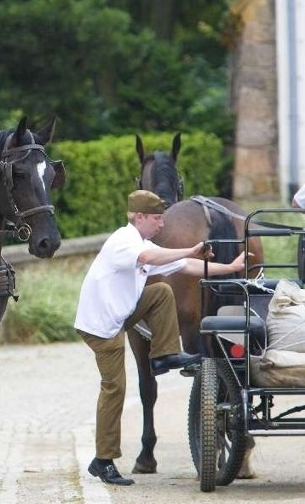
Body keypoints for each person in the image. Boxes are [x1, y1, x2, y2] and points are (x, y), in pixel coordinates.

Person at [74, 190, 248, 486]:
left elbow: (185, 267)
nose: (162, 225)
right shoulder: (124, 240)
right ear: (139, 217)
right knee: (115, 388)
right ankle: (103, 461)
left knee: (161, 291)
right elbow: (149, 257)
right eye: (157, 218)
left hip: (123, 312)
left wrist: (230, 268)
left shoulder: (143, 242)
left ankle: (164, 354)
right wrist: (190, 249)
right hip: (103, 325)